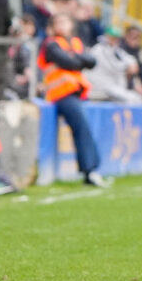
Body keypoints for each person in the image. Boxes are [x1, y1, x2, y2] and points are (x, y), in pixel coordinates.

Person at [36, 13, 110, 187]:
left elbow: (92, 61)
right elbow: (67, 62)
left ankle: (90, 170)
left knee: (84, 128)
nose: (61, 25)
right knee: (82, 128)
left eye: (64, 21)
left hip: (76, 93)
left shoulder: (75, 42)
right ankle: (89, 170)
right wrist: (77, 59)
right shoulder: (51, 43)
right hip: (60, 94)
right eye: (58, 22)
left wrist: (74, 58)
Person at [84, 26, 142, 103]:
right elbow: (114, 66)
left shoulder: (115, 49)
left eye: (116, 38)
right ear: (107, 36)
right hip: (101, 85)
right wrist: (127, 67)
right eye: (112, 38)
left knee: (137, 98)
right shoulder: (98, 49)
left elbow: (128, 59)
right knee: (133, 99)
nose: (114, 40)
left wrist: (132, 63)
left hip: (112, 86)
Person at [7, 15, 38, 100]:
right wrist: (15, 78)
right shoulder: (12, 43)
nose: (28, 28)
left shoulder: (33, 43)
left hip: (28, 80)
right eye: (25, 25)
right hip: (13, 80)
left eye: (30, 25)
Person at [120, 25, 142, 102]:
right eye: (134, 37)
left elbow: (140, 70)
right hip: (120, 87)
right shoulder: (120, 51)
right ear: (127, 37)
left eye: (139, 37)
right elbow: (121, 74)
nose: (137, 40)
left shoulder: (136, 50)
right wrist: (134, 87)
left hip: (129, 87)